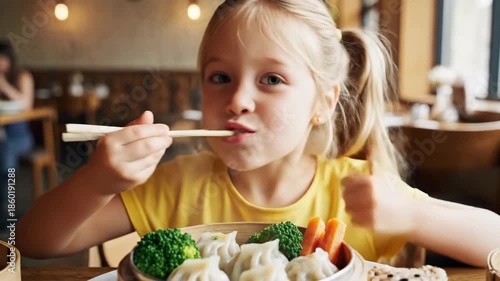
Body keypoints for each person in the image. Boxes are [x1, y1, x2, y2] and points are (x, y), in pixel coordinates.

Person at [17, 0, 500, 267]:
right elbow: (35, 242)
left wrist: (411, 217)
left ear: (322, 102)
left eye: (271, 79)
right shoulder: (176, 185)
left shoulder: (358, 190)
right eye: (220, 77)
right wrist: (98, 181)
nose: (238, 99)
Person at [0, 41, 35, 214]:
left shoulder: (23, 76)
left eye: (2, 58)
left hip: (20, 137)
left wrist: (4, 85)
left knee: (5, 149)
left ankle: (7, 205)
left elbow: (26, 105)